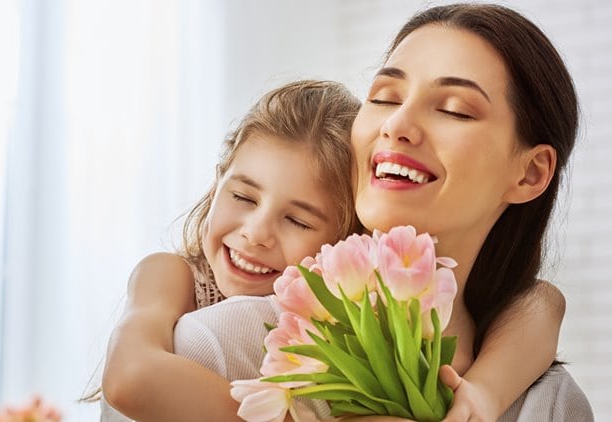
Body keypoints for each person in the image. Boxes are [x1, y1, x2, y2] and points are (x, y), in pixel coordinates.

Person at [173, 3, 593, 421]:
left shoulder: (550, 405)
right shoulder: (218, 345)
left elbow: (541, 299)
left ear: (530, 174)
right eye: (383, 98)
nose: (397, 124)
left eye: (454, 109)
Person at [100, 72, 569, 422]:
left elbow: (542, 302)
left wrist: (483, 393)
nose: (256, 232)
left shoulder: (356, 304)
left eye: (298, 219)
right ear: (217, 182)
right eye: (242, 196)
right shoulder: (173, 276)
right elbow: (129, 378)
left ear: (344, 243)